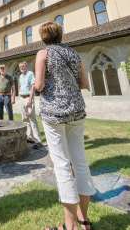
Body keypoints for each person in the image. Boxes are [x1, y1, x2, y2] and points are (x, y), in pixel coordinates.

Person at [35, 21, 95, 230]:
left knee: (61, 165)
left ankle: (70, 227)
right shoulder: (74, 53)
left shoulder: (43, 54)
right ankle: (84, 220)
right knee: (80, 162)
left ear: (43, 37)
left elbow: (40, 84)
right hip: (77, 111)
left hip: (54, 114)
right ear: (60, 35)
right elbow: (84, 84)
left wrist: (34, 90)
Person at [18, 61, 42, 150]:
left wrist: (30, 99)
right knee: (24, 119)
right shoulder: (20, 76)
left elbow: (33, 87)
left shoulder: (30, 74)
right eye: (20, 67)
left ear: (26, 66)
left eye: (23, 66)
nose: (22, 68)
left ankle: (38, 141)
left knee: (32, 119)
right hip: (21, 97)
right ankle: (29, 137)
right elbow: (20, 87)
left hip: (28, 97)